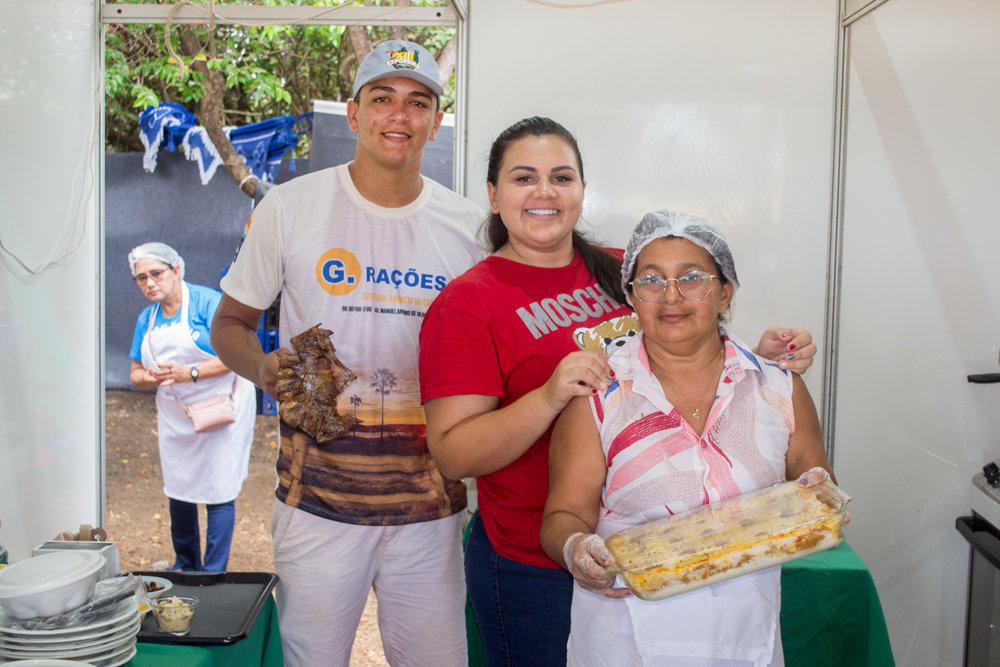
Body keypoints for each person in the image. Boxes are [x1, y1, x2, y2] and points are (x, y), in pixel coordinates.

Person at [418, 117, 818, 666]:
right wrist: (549, 396)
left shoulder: (619, 268)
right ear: (492, 194)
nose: (544, 192)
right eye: (523, 178)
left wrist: (763, 360)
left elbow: (687, 335)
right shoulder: (469, 302)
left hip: (660, 545)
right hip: (537, 561)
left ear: (582, 189)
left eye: (561, 177)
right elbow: (451, 453)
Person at [209, 41, 483, 667]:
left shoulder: (469, 230)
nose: (399, 115)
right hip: (317, 504)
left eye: (418, 103)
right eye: (381, 98)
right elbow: (229, 324)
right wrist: (260, 368)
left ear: (436, 123)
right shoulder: (290, 208)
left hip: (430, 509)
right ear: (354, 115)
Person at [538, 210, 836, 667]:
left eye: (692, 277)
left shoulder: (778, 389)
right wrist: (577, 549)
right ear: (632, 297)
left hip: (742, 636)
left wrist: (818, 495)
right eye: (652, 280)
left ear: (725, 292)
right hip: (623, 640)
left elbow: (817, 486)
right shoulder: (598, 397)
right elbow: (563, 515)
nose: (671, 296)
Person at [127, 242, 255, 572]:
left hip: (222, 407)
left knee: (218, 486)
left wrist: (191, 372)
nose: (149, 283)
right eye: (141, 278)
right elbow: (134, 374)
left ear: (176, 270)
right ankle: (185, 563)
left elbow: (237, 355)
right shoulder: (147, 318)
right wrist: (150, 377)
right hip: (177, 414)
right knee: (179, 487)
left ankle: (212, 571)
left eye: (155, 273)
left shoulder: (208, 303)